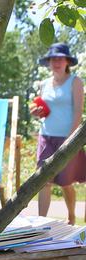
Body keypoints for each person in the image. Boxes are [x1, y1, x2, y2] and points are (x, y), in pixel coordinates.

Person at [31, 42, 86, 225]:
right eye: (53, 59)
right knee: (43, 180)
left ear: (67, 62)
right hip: (46, 136)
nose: (56, 62)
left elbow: (78, 111)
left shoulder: (75, 82)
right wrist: (37, 112)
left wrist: (70, 140)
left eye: (60, 59)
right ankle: (40, 223)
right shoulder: (44, 84)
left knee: (65, 183)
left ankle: (71, 215)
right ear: (49, 62)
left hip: (68, 137)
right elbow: (43, 110)